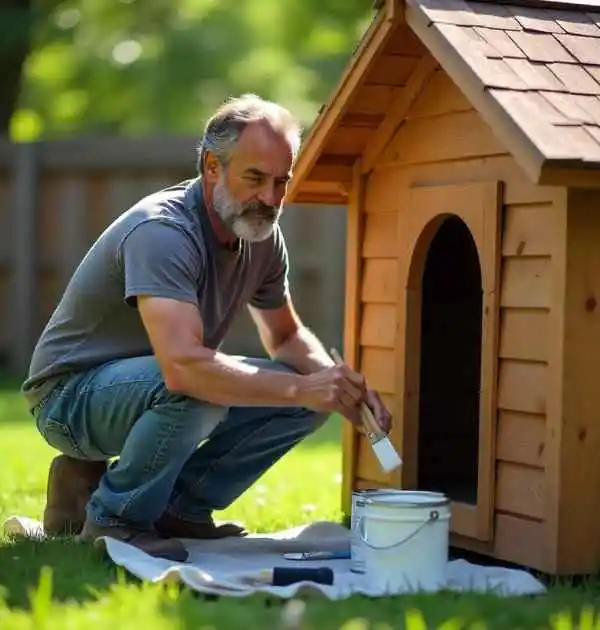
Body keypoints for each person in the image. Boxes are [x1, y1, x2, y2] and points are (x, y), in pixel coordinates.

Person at [21, 94, 392, 563]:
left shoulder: (259, 235)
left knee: (306, 399)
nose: (272, 199)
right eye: (255, 178)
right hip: (68, 399)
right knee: (203, 386)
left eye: (281, 182)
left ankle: (179, 510)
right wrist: (301, 387)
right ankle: (115, 519)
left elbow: (286, 337)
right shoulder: (162, 231)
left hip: (149, 386)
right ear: (212, 166)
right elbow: (183, 369)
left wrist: (337, 386)